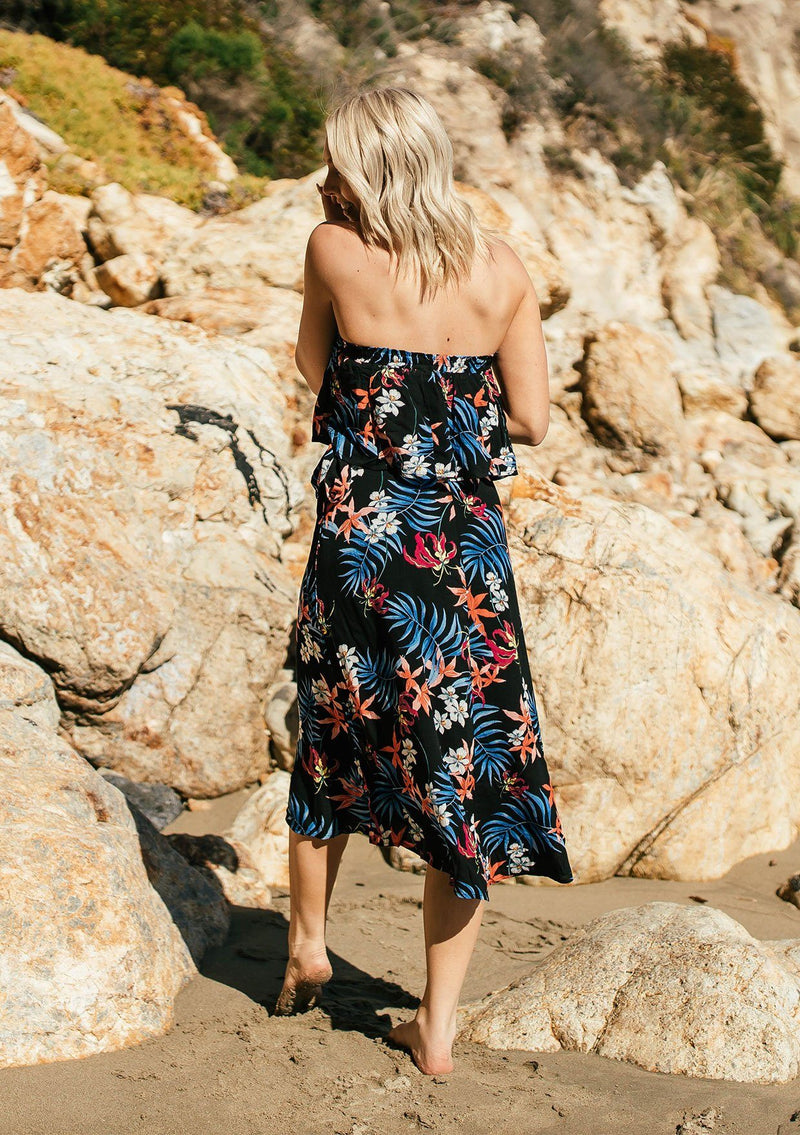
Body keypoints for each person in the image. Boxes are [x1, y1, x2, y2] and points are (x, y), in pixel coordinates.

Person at [276, 85, 574, 1075]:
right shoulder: (502, 269)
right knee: (464, 771)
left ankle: (308, 942)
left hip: (361, 540)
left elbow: (315, 365)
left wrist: (386, 402)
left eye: (336, 161)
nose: (325, 178)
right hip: (461, 554)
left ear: (364, 168)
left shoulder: (334, 249)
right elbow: (531, 419)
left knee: (331, 736)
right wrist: (454, 408)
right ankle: (435, 1029)